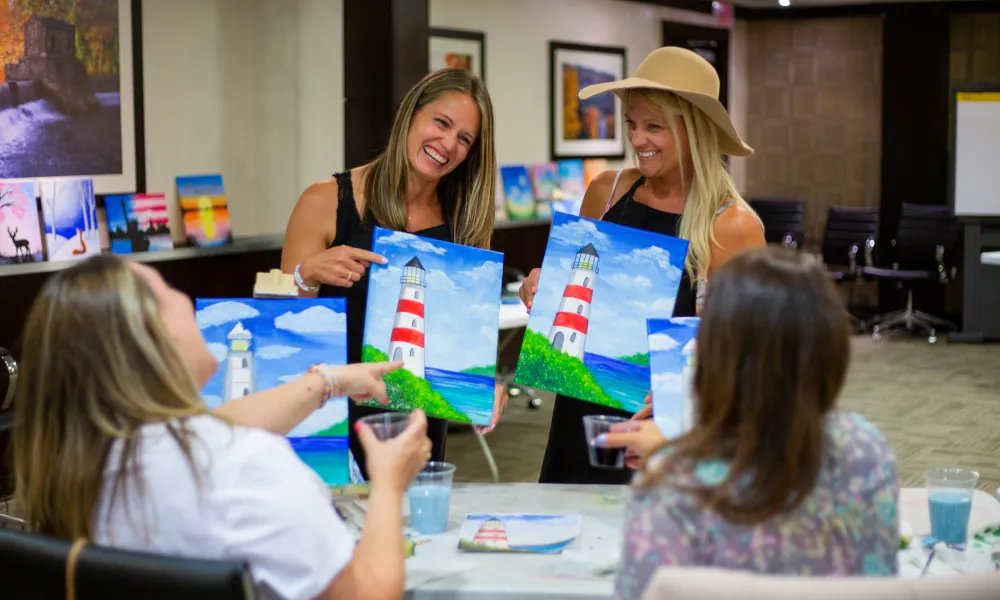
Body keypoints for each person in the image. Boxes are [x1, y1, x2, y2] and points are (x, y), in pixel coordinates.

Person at [12, 255, 430, 600]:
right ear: (156, 333)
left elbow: (210, 427)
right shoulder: (245, 464)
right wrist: (389, 484)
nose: (184, 298)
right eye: (168, 290)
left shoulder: (80, 468)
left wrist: (329, 380)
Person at [519, 47, 766, 485]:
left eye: (654, 126)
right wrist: (543, 285)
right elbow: (573, 288)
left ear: (696, 131)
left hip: (666, 425)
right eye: (631, 124)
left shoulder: (732, 225)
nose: (637, 139)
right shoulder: (606, 191)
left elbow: (745, 354)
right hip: (581, 408)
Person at [602, 247, 899, 599]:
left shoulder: (672, 492)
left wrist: (672, 459)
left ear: (713, 353)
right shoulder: (867, 453)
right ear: (832, 349)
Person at [282, 67, 506, 478]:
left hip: (417, 425)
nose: (447, 144)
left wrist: (482, 383)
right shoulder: (325, 201)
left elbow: (462, 337)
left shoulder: (465, 225)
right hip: (329, 419)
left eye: (464, 139)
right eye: (441, 123)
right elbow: (284, 332)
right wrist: (306, 274)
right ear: (410, 114)